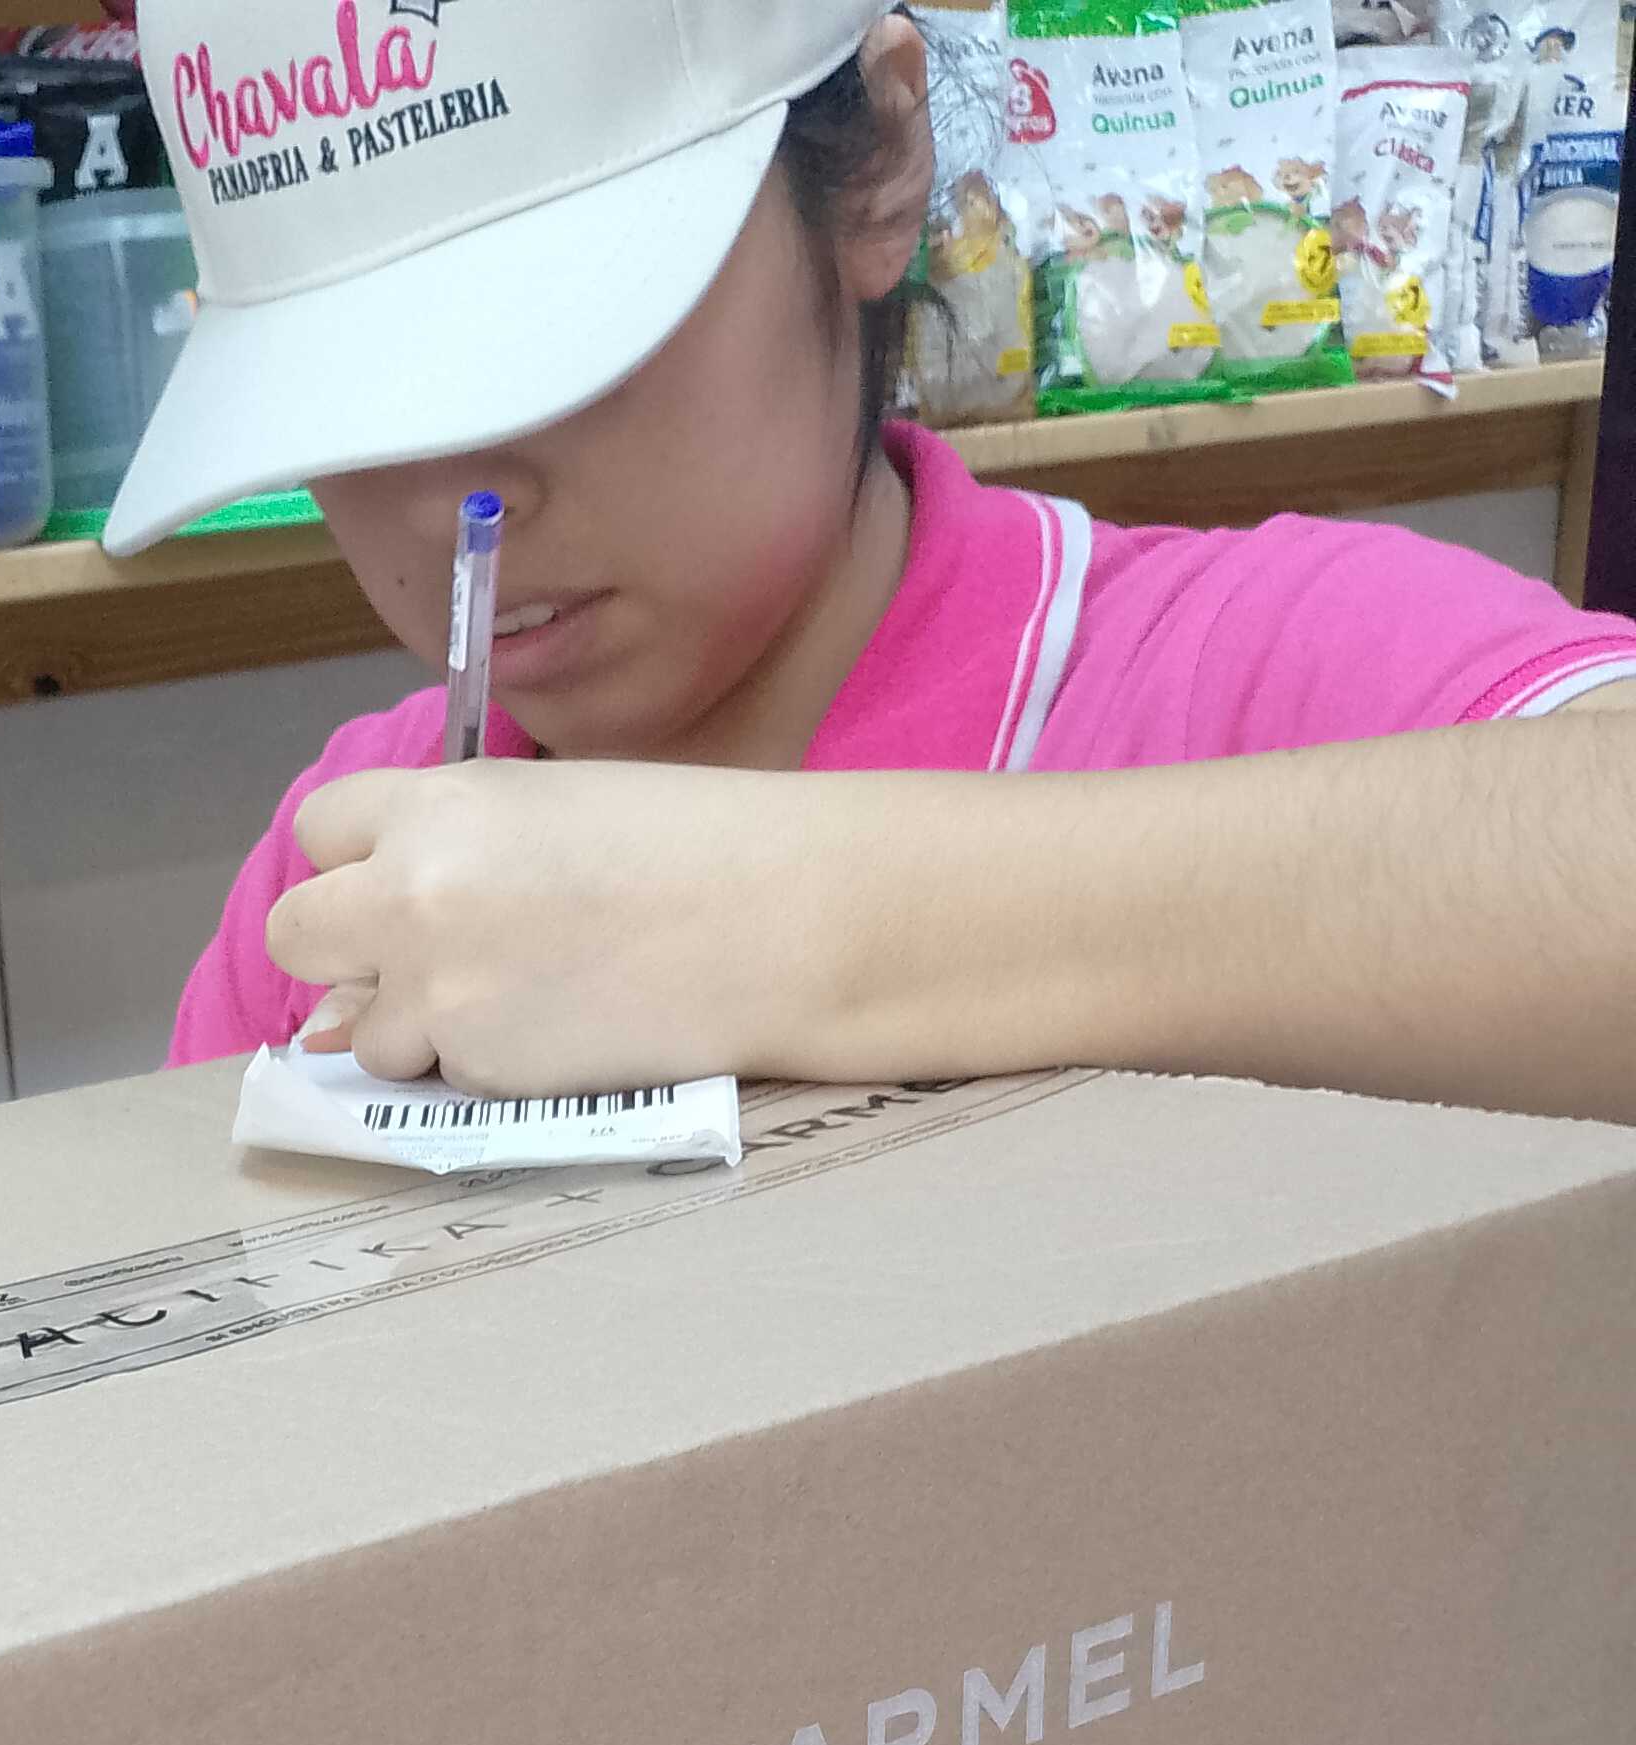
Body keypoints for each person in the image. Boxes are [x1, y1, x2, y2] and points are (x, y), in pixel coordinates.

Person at [104, 0, 1636, 1124]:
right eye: (347, 400)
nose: (454, 503)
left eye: (558, 347)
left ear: (882, 170)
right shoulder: (346, 880)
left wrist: (770, 919)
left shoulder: (1243, 676)